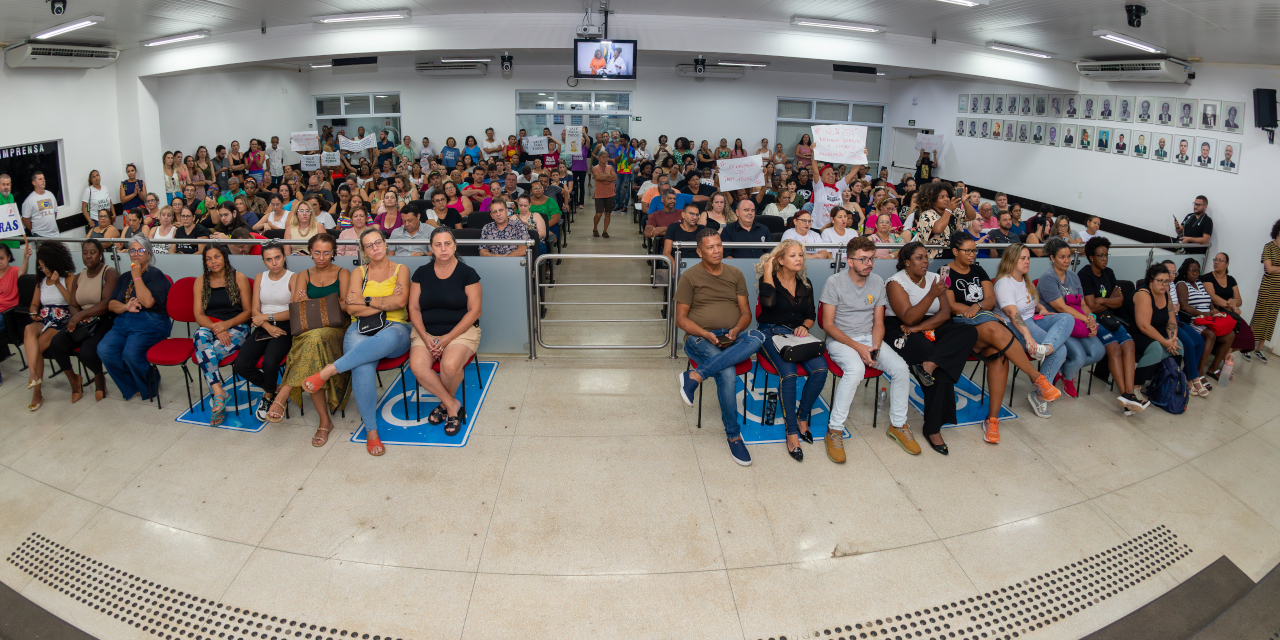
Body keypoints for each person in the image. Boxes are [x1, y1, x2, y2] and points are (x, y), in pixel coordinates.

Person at [302, 228, 411, 456]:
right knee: (362, 365)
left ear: (385, 243)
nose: (375, 248)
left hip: (395, 329)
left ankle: (329, 371)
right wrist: (383, 302)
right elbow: (351, 307)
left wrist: (366, 299)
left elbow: (400, 303)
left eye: (378, 242)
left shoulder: (402, 269)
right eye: (369, 245)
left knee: (387, 337)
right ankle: (372, 432)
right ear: (364, 250)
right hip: (361, 326)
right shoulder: (358, 272)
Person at [945, 235, 1062, 438]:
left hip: (982, 321)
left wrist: (978, 306)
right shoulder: (945, 271)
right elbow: (950, 305)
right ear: (955, 252)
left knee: (999, 355)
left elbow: (990, 300)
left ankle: (992, 420)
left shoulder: (978, 269)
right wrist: (971, 309)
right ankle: (1036, 378)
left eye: (974, 250)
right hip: (960, 325)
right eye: (968, 251)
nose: (973, 255)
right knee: (996, 327)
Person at [676, 229, 766, 466]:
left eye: (719, 245)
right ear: (699, 251)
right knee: (727, 372)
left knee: (757, 337)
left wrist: (736, 330)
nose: (716, 251)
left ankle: (696, 375)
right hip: (700, 338)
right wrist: (705, 333)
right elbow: (681, 319)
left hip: (731, 335)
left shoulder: (735, 273)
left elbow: (746, 313)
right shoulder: (690, 277)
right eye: (710, 247)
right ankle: (734, 436)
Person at [883, 242, 978, 455]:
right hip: (899, 328)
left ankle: (930, 364)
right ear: (906, 262)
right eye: (919, 258)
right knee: (938, 362)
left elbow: (945, 314)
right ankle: (933, 429)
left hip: (928, 324)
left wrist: (919, 327)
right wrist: (931, 295)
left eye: (926, 257)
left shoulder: (935, 278)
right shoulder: (895, 283)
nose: (925, 261)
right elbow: (907, 317)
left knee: (968, 333)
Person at [270, 234, 352, 445]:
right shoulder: (303, 275)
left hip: (336, 329)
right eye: (317, 252)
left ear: (333, 252)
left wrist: (314, 302)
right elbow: (296, 308)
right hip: (308, 331)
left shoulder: (343, 273)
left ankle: (283, 393)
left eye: (326, 252)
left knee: (314, 342)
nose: (321, 257)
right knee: (313, 347)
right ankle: (325, 421)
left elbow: (345, 306)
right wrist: (321, 303)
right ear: (310, 252)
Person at [754, 239, 829, 461]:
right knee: (789, 374)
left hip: (797, 335)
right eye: (793, 255)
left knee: (821, 370)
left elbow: (811, 314)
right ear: (781, 260)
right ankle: (791, 432)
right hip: (770, 332)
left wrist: (805, 327)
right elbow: (767, 304)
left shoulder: (806, 284)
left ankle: (802, 417)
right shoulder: (769, 280)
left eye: (801, 255)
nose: (799, 259)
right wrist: (768, 269)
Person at [407, 227, 483, 435]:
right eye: (438, 245)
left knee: (449, 367)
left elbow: (475, 311)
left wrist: (447, 339)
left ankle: (443, 405)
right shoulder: (421, 273)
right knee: (418, 366)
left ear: (455, 246)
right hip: (426, 331)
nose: (443, 249)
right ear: (431, 248)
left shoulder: (468, 273)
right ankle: (451, 405)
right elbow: (413, 308)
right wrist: (424, 337)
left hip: (460, 332)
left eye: (447, 244)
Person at [992, 243, 1074, 418]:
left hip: (1032, 319)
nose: (1027, 261)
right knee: (1062, 350)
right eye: (1023, 258)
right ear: (1011, 259)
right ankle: (1040, 395)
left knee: (1067, 317)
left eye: (1028, 258)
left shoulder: (1024, 278)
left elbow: (1031, 300)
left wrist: (1041, 308)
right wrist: (1028, 336)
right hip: (1014, 326)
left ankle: (1046, 348)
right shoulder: (1004, 283)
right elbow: (1013, 314)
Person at [99, 236, 173, 403]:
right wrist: (125, 307)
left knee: (130, 354)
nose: (136, 254)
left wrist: (138, 277)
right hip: (124, 321)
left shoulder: (155, 275)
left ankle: (149, 382)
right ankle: (132, 383)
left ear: (148, 254)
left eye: (140, 250)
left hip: (151, 323)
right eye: (133, 250)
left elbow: (147, 302)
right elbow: (111, 304)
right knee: (104, 350)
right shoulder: (124, 277)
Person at [1077, 237, 1143, 412]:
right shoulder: (1084, 274)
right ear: (1091, 257)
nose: (1104, 259)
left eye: (1106, 255)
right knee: (1114, 349)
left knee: (1129, 345)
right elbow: (1090, 306)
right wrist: (1110, 300)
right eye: (1100, 256)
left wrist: (1102, 300)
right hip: (1093, 319)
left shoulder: (1109, 273)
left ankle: (1130, 394)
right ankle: (1126, 396)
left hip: (1109, 317)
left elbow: (1120, 301)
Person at [189, 244, 253, 426]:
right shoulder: (201, 281)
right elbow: (198, 315)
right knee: (199, 334)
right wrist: (217, 327)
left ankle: (219, 395)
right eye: (208, 258)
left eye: (216, 256)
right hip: (212, 326)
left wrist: (227, 324)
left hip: (239, 327)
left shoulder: (238, 278)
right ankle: (219, 391)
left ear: (224, 257)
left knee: (206, 355)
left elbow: (248, 312)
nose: (213, 261)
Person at [232, 241, 294, 421]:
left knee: (270, 363)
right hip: (263, 326)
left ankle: (268, 396)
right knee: (241, 365)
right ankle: (275, 389)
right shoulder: (260, 277)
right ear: (263, 261)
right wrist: (266, 324)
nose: (274, 263)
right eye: (269, 259)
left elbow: (293, 311)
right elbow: (254, 311)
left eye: (277, 257)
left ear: (283, 257)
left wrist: (268, 318)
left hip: (284, 326)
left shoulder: (293, 277)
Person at [1037, 237, 1106, 397]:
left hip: (1079, 323)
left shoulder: (1073, 276)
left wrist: (1091, 318)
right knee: (1079, 357)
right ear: (1052, 258)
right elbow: (1061, 307)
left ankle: (1061, 370)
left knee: (1098, 352)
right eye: (1062, 257)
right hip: (1060, 324)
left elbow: (1081, 303)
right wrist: (1086, 320)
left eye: (1069, 256)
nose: (1067, 260)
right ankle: (1068, 377)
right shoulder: (1048, 278)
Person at [22, 242, 76, 410]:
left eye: (46, 266)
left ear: (55, 261)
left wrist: (57, 283)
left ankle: (37, 392)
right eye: (40, 267)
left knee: (37, 347)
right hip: (44, 319)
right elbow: (33, 305)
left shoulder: (68, 277)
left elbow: (73, 303)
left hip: (61, 322)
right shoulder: (41, 281)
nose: (43, 270)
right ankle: (33, 374)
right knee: (28, 328)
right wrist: (33, 313)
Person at [1176, 258, 1231, 391]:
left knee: (1230, 335)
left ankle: (1213, 368)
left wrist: (1213, 310)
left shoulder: (1200, 283)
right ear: (1185, 271)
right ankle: (1198, 372)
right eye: (1192, 270)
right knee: (1210, 335)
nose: (1195, 273)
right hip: (1193, 319)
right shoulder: (1182, 284)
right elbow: (1184, 306)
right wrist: (1203, 314)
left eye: (1197, 271)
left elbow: (1208, 300)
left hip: (1208, 318)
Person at [1133, 264, 1185, 389]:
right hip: (1137, 333)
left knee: (1179, 347)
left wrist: (1172, 340)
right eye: (1160, 281)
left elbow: (1172, 320)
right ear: (1151, 281)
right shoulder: (1143, 294)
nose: (1164, 285)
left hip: (1157, 332)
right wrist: (1164, 342)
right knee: (1156, 348)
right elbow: (1144, 326)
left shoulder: (1166, 295)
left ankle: (1162, 384)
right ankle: (1135, 386)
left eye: (1167, 281)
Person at [1202, 252, 1256, 373]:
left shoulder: (1231, 279)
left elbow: (1239, 300)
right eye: (1215, 259)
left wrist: (1234, 303)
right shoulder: (1207, 277)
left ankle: (1224, 355)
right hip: (1215, 311)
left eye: (1220, 260)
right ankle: (1225, 362)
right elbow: (1212, 297)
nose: (1216, 262)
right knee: (1230, 332)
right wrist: (1231, 304)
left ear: (1226, 264)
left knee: (1248, 336)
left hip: (1230, 312)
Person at [1249, 220, 1280, 363]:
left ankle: (1259, 349)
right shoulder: (1269, 247)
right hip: (1267, 287)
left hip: (1278, 290)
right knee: (1259, 316)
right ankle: (1246, 347)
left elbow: (1275, 268)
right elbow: (1269, 269)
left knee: (1270, 319)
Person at [21, 171, 60, 238]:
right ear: (34, 183)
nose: (43, 180)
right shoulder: (30, 199)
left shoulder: (50, 195)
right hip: (40, 235)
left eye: (43, 178)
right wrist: (35, 231)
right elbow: (25, 219)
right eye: (40, 179)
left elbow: (55, 211)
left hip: (55, 234)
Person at [591, 149, 617, 238]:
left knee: (608, 213)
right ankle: (595, 228)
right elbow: (597, 177)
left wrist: (603, 177)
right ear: (599, 158)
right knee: (599, 213)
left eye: (606, 157)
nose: (605, 159)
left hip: (610, 193)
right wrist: (608, 176)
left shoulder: (610, 167)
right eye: (603, 157)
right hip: (599, 194)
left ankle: (605, 231)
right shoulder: (595, 168)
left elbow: (615, 178)